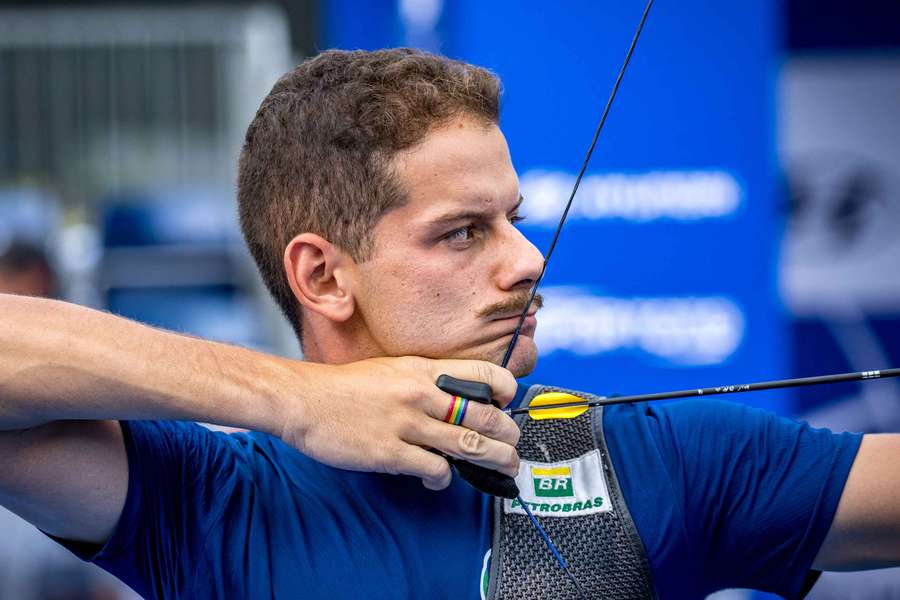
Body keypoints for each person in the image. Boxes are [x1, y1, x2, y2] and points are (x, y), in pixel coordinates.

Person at [0, 48, 897, 599]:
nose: (528, 259)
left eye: (513, 217)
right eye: (465, 232)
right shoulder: (212, 497)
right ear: (323, 275)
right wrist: (297, 399)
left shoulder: (651, 458)